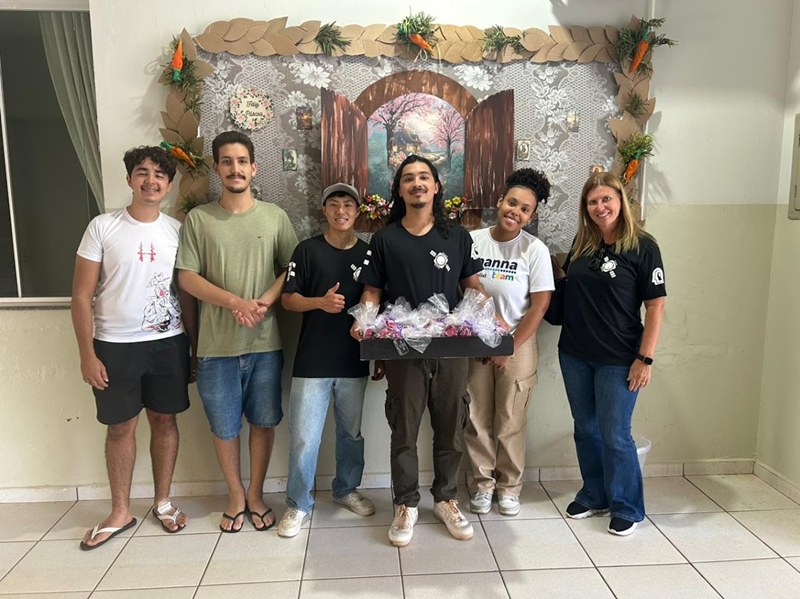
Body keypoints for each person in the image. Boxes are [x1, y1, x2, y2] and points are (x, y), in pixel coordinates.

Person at [352, 154, 490, 547]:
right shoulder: (385, 239)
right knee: (404, 430)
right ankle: (405, 504)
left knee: (451, 427)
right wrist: (363, 320)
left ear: (436, 186)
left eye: (424, 177)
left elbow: (473, 288)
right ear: (399, 189)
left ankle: (446, 499)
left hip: (451, 349)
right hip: (402, 352)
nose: (417, 183)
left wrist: (489, 324)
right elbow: (372, 291)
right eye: (409, 178)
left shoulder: (457, 237)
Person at [71, 146, 194, 550]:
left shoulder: (177, 231)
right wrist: (87, 354)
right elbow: (81, 296)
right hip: (114, 346)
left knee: (165, 421)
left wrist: (193, 348)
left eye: (160, 175)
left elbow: (186, 293)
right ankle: (120, 511)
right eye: (142, 173)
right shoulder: (102, 227)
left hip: (168, 342)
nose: (151, 181)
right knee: (120, 427)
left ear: (169, 185)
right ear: (129, 179)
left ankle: (162, 502)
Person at [176, 131, 298, 533]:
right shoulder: (199, 219)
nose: (235, 169)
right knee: (224, 428)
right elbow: (187, 277)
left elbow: (292, 269)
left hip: (265, 344)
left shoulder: (274, 216)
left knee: (263, 422)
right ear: (216, 168)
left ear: (254, 168)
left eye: (242, 161)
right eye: (226, 161)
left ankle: (256, 495)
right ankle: (235, 495)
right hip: (215, 347)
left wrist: (263, 301)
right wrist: (235, 302)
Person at [557, 172, 666, 536]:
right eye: (593, 202)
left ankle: (627, 505)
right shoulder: (582, 243)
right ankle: (595, 494)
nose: (600, 207)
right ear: (585, 208)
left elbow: (656, 306)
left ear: (621, 201)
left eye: (606, 199)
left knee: (615, 433)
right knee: (585, 428)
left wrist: (645, 358)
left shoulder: (643, 247)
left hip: (619, 358)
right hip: (574, 353)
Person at [278, 183, 379, 537]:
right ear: (324, 210)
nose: (341, 211)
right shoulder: (307, 250)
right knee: (304, 438)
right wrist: (318, 302)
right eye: (333, 204)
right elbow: (288, 299)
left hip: (353, 361)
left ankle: (346, 489)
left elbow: (376, 300)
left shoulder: (369, 254)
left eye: (348, 205)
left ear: (357, 211)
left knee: (351, 434)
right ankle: (298, 503)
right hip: (312, 362)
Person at [465, 169, 554, 517]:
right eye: (512, 203)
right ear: (500, 201)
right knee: (475, 415)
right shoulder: (473, 240)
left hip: (519, 343)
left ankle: (509, 487)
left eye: (525, 209)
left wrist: (509, 347)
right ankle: (481, 484)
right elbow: (464, 288)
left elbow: (540, 305)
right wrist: (488, 339)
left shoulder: (535, 250)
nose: (515, 212)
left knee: (510, 418)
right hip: (476, 341)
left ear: (531, 216)